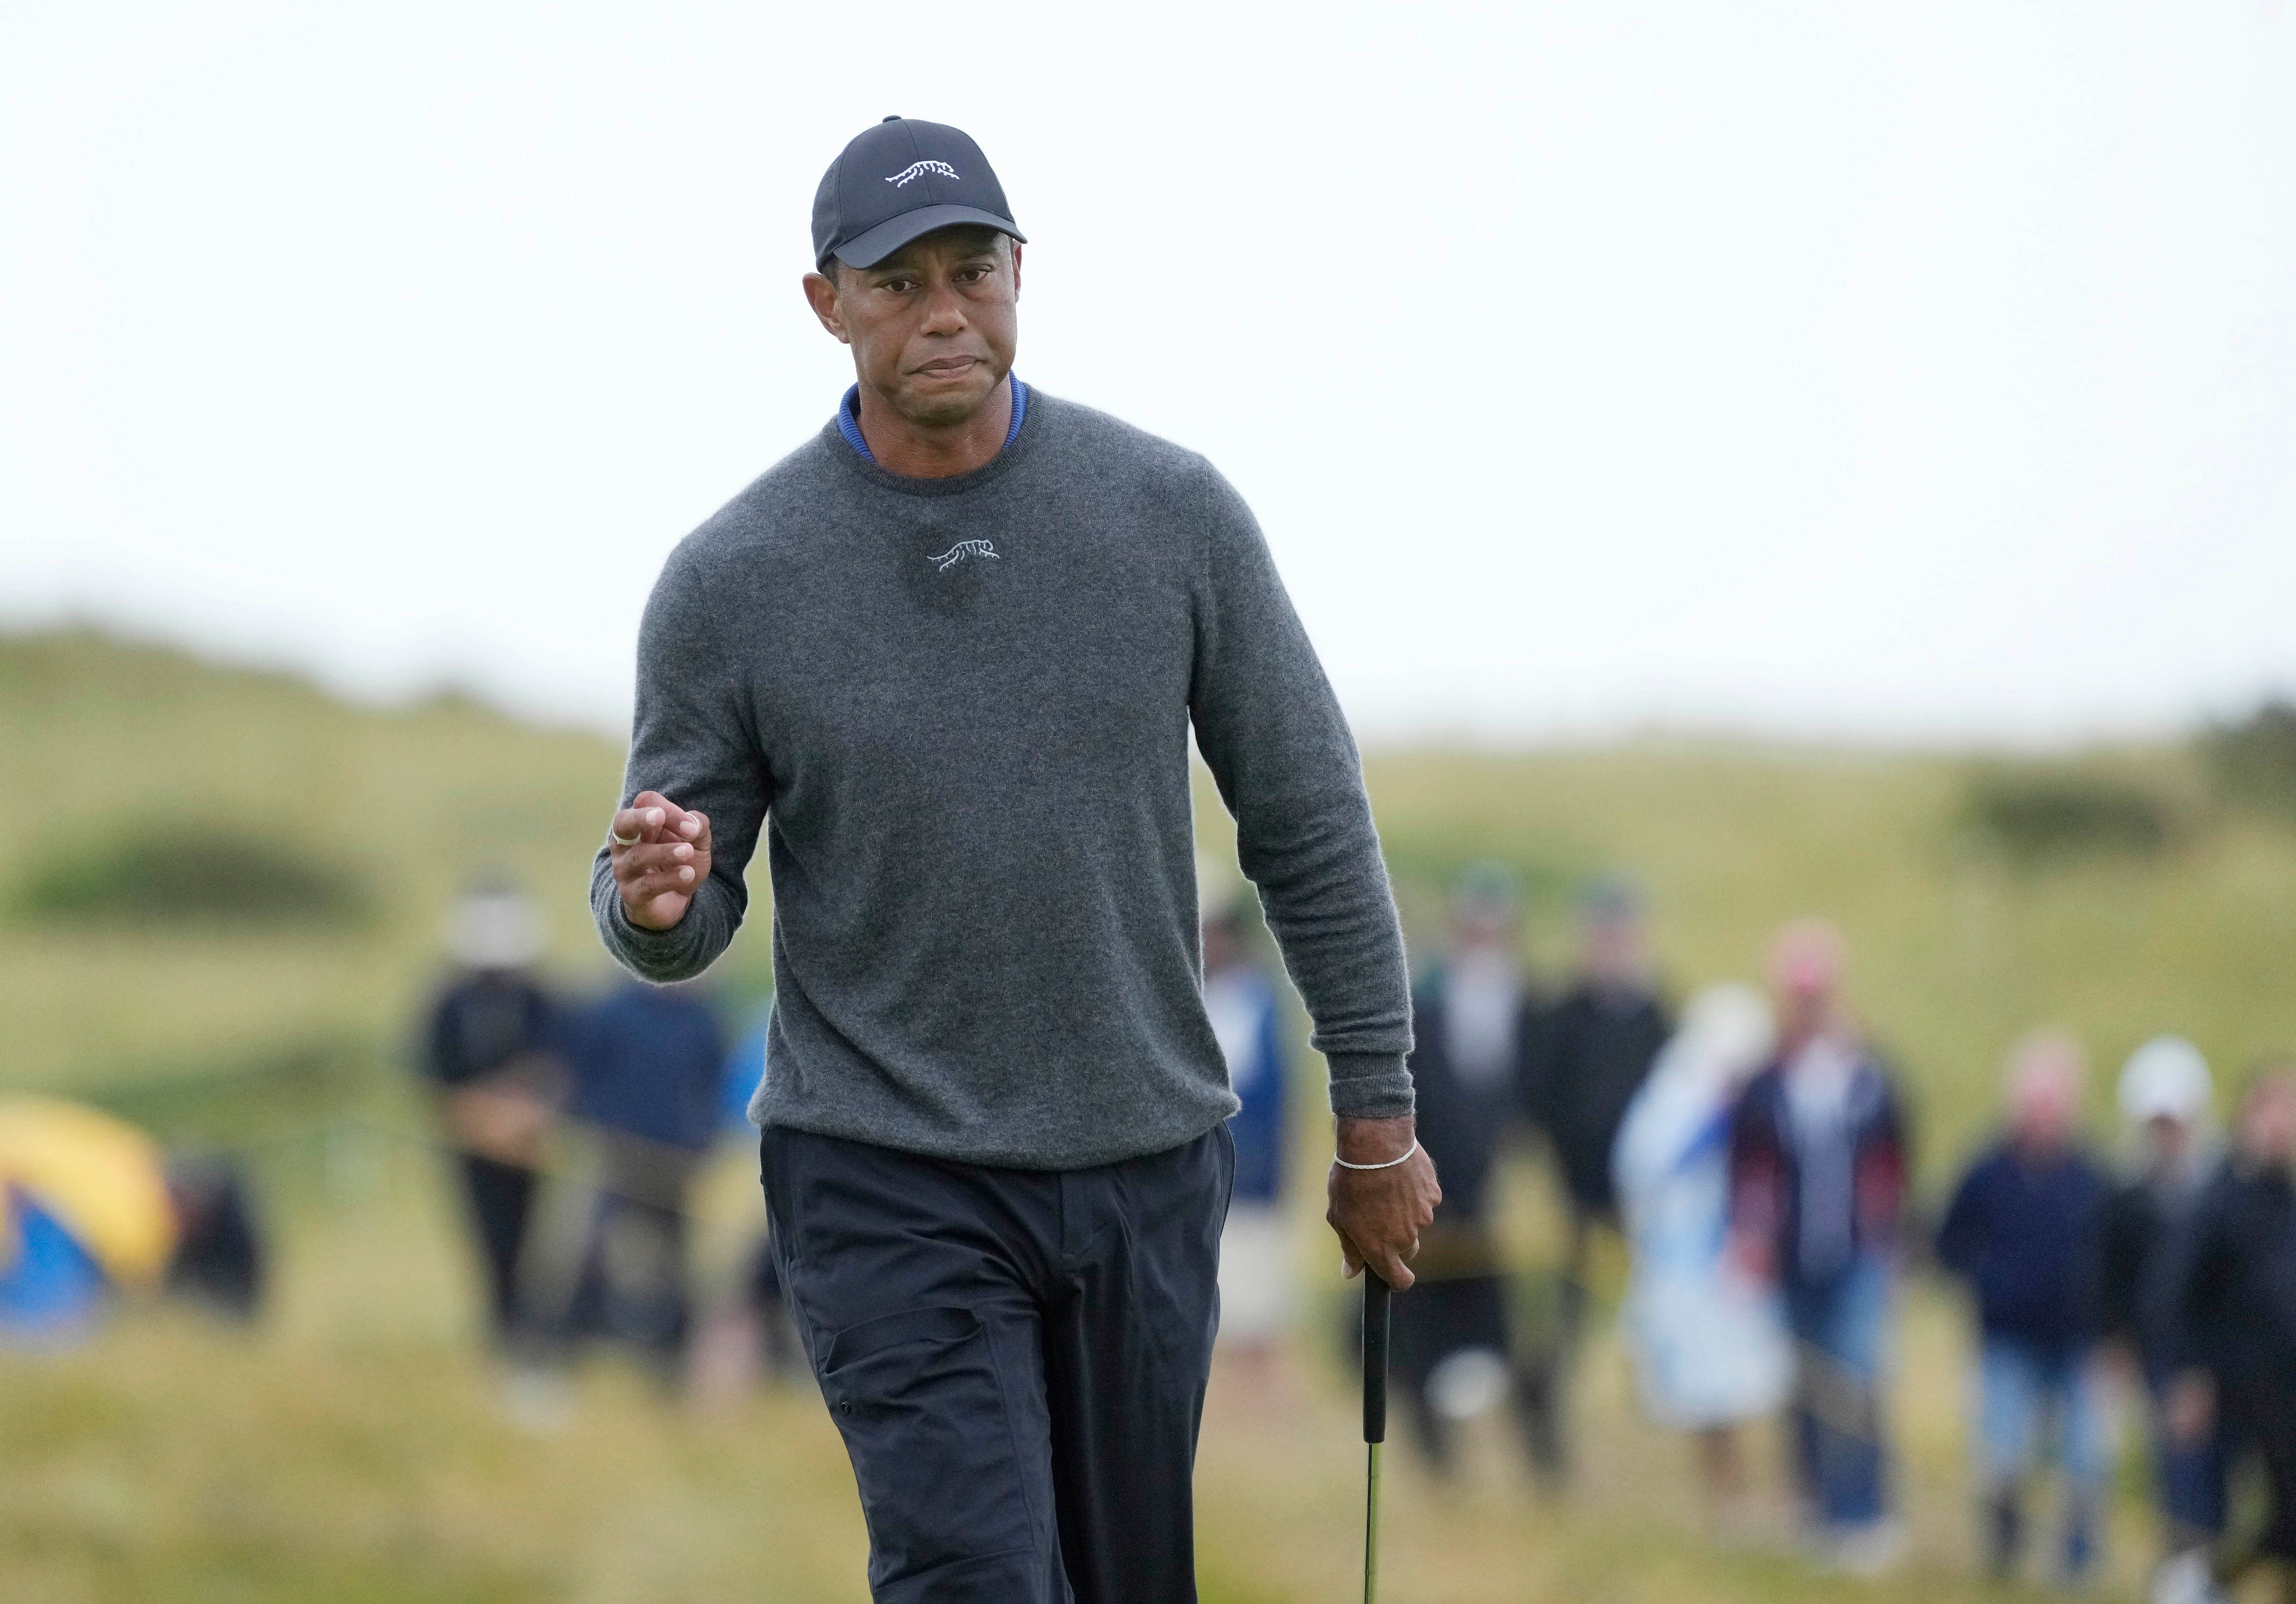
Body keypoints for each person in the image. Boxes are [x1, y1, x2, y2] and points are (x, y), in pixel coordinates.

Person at [590, 116, 1433, 1604]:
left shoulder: (1170, 518)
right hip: (883, 1168)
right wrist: (655, 904)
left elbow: (1305, 819)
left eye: (970, 271)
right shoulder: (732, 581)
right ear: (824, 304)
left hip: (1140, 1156)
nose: (941, 311)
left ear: (1022, 274)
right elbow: (681, 900)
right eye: (896, 281)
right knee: (974, 1576)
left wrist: (1377, 1119)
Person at [1728, 920, 1909, 1574]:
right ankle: (1816, 1507)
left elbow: (1894, 1164)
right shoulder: (1768, 1080)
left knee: (1857, 1384)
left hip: (1858, 1255)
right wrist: (1748, 1241)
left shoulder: (1868, 1075)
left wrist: (1892, 1251)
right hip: (1792, 1259)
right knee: (1804, 1385)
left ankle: (1867, 1515)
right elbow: (1748, 1169)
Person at [1612, 982, 1790, 1536]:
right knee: (1705, 1394)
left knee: (1762, 1386)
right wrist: (1713, 1122)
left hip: (1746, 1269)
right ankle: (1727, 1503)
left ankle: (1777, 1502)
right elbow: (1643, 1165)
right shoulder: (1676, 1091)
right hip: (1687, 1272)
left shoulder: (1765, 1097)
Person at [1934, 1031, 2111, 1585]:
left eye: (2050, 1104)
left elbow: (2120, 1258)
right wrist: (1986, 1281)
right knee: (2003, 1459)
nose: (2040, 1116)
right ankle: (2005, 1558)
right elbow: (1947, 1242)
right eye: (2032, 1104)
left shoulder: (2094, 1177)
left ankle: (2077, 1567)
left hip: (2077, 1341)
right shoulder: (1987, 1171)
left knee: (2084, 1462)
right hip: (2006, 1339)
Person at [1521, 873, 1672, 1481]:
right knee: (1564, 1323)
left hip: (1644, 1204)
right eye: (1603, 935)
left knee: (1654, 1317)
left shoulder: (1658, 1017)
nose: (1613, 946)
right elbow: (1537, 1099)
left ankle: (1660, 1426)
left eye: (1623, 934)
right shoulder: (1562, 1015)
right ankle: (1545, 1427)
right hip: (1575, 1197)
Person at [1390, 864, 1539, 1476]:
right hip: (1433, 1200)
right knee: (1424, 1339)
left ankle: (1530, 1462)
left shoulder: (1532, 1006)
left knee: (1511, 1344)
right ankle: (1438, 1463)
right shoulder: (1425, 1007)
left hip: (1505, 1204)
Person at [2165, 1067, 2296, 1604]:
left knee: (2289, 1510)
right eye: (2275, 1110)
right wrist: (2188, 1374)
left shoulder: (2286, 1197)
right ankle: (2199, 1581)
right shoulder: (2221, 1194)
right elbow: (2180, 1290)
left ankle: (2219, 1579)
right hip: (2229, 1378)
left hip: (2284, 1382)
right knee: (2208, 1502)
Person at [2098, 1037, 2225, 1587]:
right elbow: (2113, 1287)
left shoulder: (2222, 1196)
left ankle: (2208, 1570)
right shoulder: (2128, 1202)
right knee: (2177, 1465)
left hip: (2224, 1354)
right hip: (2164, 1356)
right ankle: (2184, 1569)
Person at [558, 976, 727, 1374]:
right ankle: (565, 1344)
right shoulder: (610, 1011)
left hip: (676, 1161)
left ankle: (672, 1354)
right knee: (591, 1247)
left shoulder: (704, 1020)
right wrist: (598, 1125)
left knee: (674, 1258)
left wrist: (701, 1140)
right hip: (616, 1155)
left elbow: (713, 1086)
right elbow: (581, 1078)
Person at [421, 884, 565, 1349]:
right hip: (473, 1150)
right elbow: (437, 1079)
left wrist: (530, 1110)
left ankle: (531, 1331)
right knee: (489, 1244)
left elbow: (559, 1065)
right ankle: (502, 1332)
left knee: (537, 1245)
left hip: (532, 1148)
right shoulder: (450, 1003)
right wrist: (484, 1115)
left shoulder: (539, 998)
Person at [1199, 893, 1295, 1396]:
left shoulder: (1258, 999)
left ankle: (1259, 1394)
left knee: (1255, 1296)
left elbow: (1272, 1090)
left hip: (1252, 1170)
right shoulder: (1203, 996)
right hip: (1202, 1172)